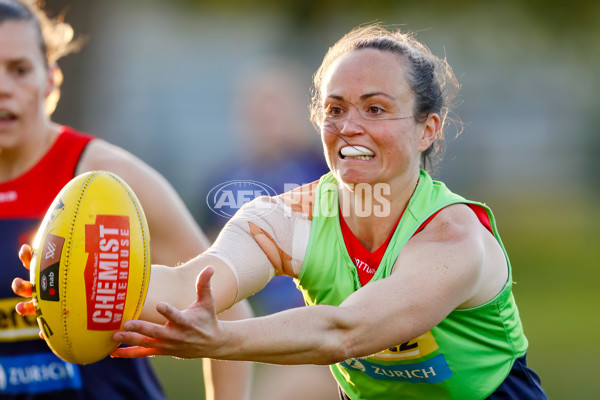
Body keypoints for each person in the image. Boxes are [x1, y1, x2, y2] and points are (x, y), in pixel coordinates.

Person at [14, 23, 549, 400]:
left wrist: (223, 342)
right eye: (335, 109)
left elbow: (346, 331)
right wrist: (74, 287)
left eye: (376, 109)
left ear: (428, 128)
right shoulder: (286, 216)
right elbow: (191, 286)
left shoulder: (453, 236)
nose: (351, 126)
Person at [0, 1, 252, 399]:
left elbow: (226, 306)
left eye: (19, 70)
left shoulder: (104, 183)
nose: (3, 87)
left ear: (51, 80)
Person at [201, 57, 336, 400]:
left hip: (316, 312)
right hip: (252, 313)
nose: (267, 117)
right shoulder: (225, 177)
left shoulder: (323, 170)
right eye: (259, 107)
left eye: (276, 105)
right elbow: (206, 252)